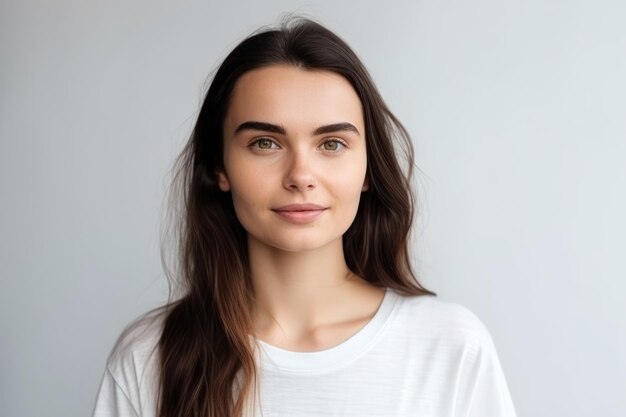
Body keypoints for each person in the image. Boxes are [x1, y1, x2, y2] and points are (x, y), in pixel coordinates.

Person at [92, 17, 517, 417]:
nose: (300, 176)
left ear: (368, 169)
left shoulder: (449, 346)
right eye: (264, 143)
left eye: (331, 144)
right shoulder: (150, 356)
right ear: (219, 168)